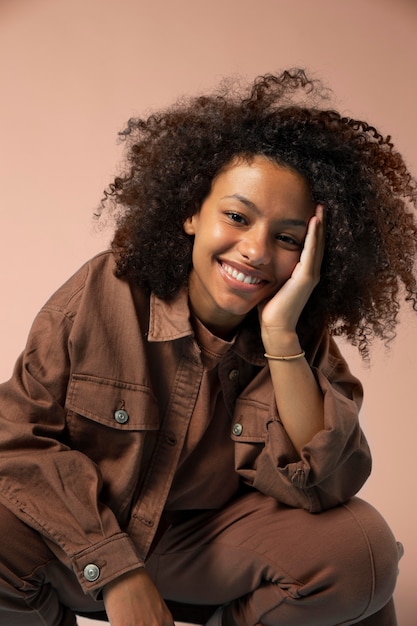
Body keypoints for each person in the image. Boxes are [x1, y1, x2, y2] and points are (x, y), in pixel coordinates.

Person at [0, 69, 415, 626]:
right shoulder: (104, 293)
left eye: (287, 238)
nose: (256, 250)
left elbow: (329, 486)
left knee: (361, 552)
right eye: (237, 217)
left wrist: (280, 338)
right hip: (85, 547)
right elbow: (17, 444)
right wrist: (115, 567)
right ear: (192, 211)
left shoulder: (299, 334)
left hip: (207, 556)